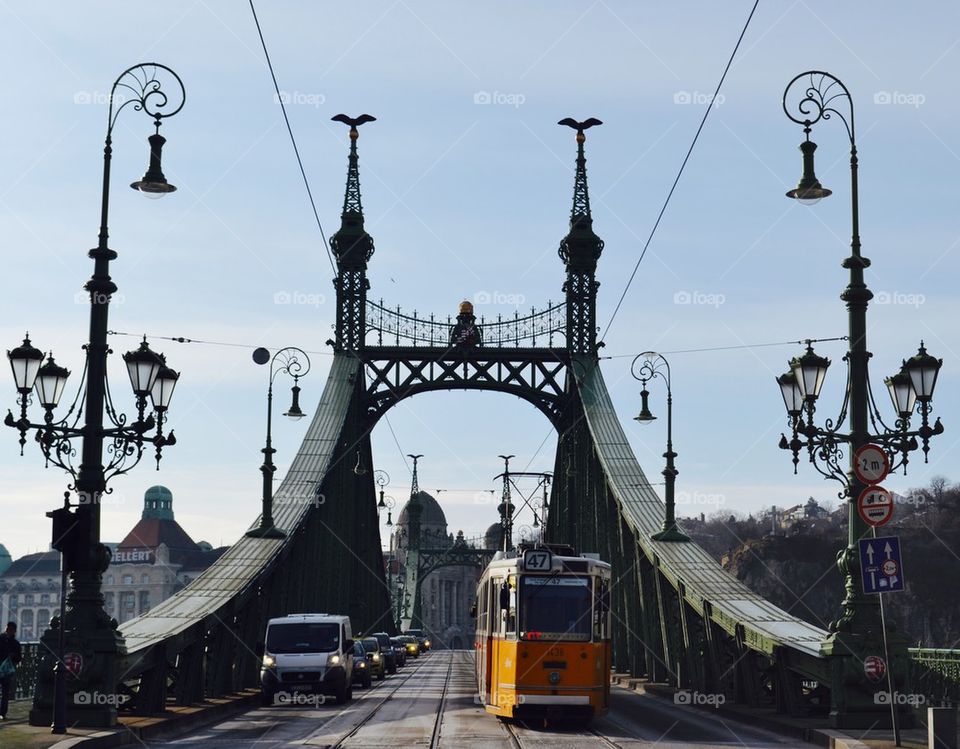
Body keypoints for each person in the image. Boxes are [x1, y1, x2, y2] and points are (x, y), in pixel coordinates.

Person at [0, 621, 22, 719]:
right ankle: (2, 712)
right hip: (7, 670)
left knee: (5, 692)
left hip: (7, 671)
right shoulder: (14, 643)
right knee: (5, 692)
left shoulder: (14, 643)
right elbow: (19, 658)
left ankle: (2, 712)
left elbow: (19, 657)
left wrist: (13, 656)